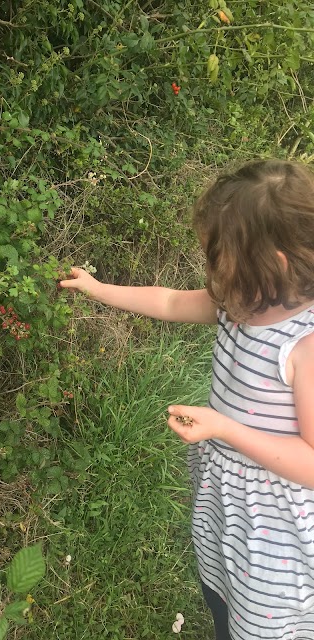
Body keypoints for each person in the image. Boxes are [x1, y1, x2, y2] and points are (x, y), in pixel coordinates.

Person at [59, 159, 314, 640]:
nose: (214, 276)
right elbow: (171, 301)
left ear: (275, 263)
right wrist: (96, 289)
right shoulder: (240, 303)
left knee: (265, 623)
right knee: (223, 594)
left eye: (222, 263)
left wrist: (225, 428)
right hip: (228, 502)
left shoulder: (304, 344)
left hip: (276, 527)